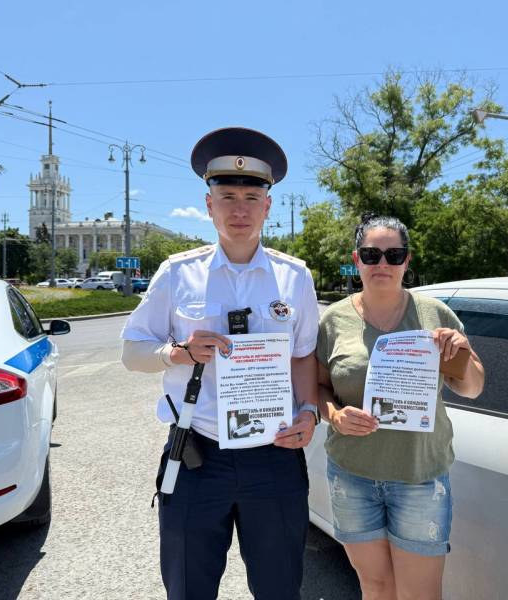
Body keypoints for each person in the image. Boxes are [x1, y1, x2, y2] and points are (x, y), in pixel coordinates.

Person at [120, 127, 320, 600]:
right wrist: (178, 352)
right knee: (189, 588)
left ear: (267, 206)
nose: (239, 209)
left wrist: (309, 412)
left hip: (274, 455)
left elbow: (304, 353)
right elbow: (131, 352)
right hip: (197, 455)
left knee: (279, 587)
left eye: (252, 196)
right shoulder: (177, 273)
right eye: (226, 195)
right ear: (208, 205)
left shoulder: (294, 278)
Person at [316, 214, 485, 600]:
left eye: (394, 255)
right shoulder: (333, 319)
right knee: (374, 587)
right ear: (356, 259)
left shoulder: (435, 314)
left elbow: (473, 387)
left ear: (407, 261)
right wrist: (335, 415)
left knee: (420, 594)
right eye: (371, 254)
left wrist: (458, 353)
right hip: (351, 475)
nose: (382, 264)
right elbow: (319, 386)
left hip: (418, 477)